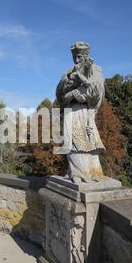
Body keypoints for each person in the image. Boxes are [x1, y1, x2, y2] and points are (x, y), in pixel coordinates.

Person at [56, 42, 105, 183]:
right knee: (71, 141)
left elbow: (98, 92)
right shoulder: (69, 72)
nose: (77, 60)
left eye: (79, 57)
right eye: (75, 57)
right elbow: (59, 93)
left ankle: (91, 171)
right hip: (70, 111)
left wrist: (81, 93)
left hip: (84, 111)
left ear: (86, 56)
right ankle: (76, 172)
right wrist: (69, 87)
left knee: (88, 141)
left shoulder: (94, 70)